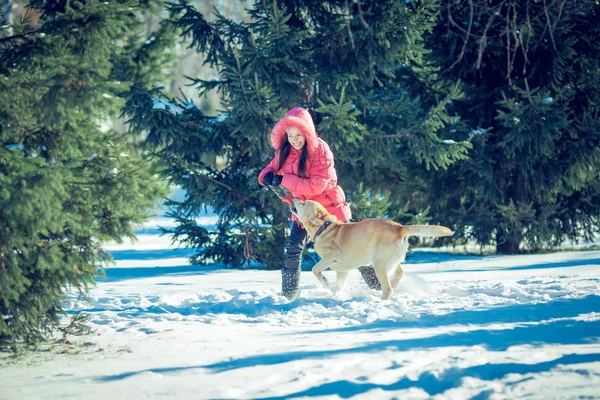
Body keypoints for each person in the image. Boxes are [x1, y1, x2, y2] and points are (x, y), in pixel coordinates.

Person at [258, 107, 381, 300]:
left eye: (299, 134)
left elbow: (317, 186)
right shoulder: (285, 151)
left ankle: (378, 289)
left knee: (353, 250)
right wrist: (265, 176)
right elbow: (271, 168)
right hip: (304, 210)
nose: (295, 140)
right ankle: (289, 295)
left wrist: (283, 180)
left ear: (307, 132)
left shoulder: (320, 150)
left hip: (329, 211)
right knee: (293, 250)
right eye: (290, 135)